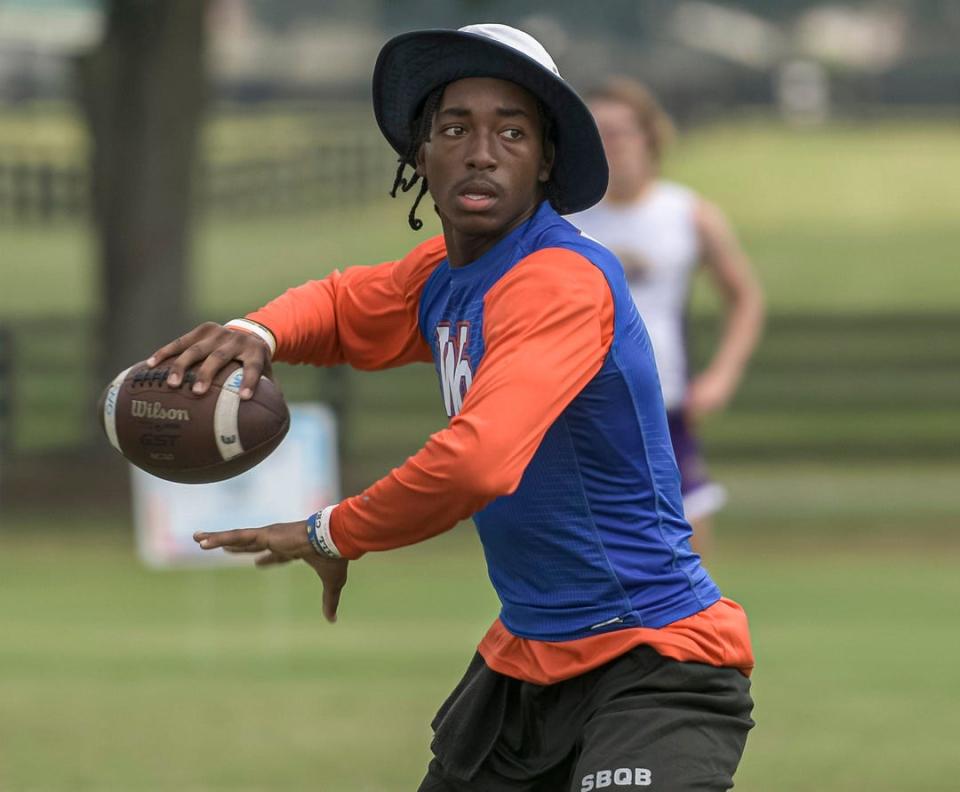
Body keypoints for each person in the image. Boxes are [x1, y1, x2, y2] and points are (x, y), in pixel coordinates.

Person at [148, 25, 754, 791]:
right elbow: (340, 305)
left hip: (652, 660)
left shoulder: (558, 282)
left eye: (511, 130)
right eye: (454, 128)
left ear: (546, 162)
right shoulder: (443, 275)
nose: (480, 150)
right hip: (525, 665)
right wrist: (254, 331)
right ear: (419, 157)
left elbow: (477, 461)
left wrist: (332, 532)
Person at [570, 78, 765, 557]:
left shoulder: (687, 214)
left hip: (663, 412)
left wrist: (720, 378)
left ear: (649, 136)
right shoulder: (564, 220)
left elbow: (745, 298)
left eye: (618, 131)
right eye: (595, 133)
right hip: (578, 413)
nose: (608, 145)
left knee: (686, 562)